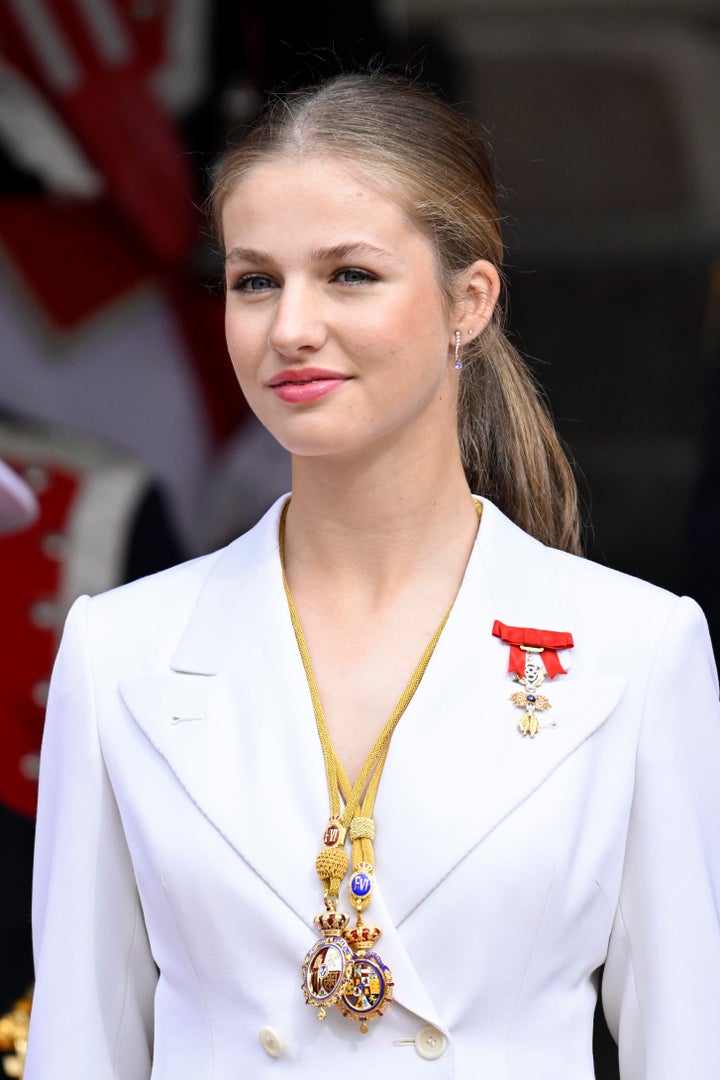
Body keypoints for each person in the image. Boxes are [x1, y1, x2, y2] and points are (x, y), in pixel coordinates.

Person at [24, 73, 720, 1080]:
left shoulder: (639, 650)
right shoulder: (121, 646)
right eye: (254, 280)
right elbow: (80, 1045)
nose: (291, 327)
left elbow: (686, 1048)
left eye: (349, 274)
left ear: (467, 302)